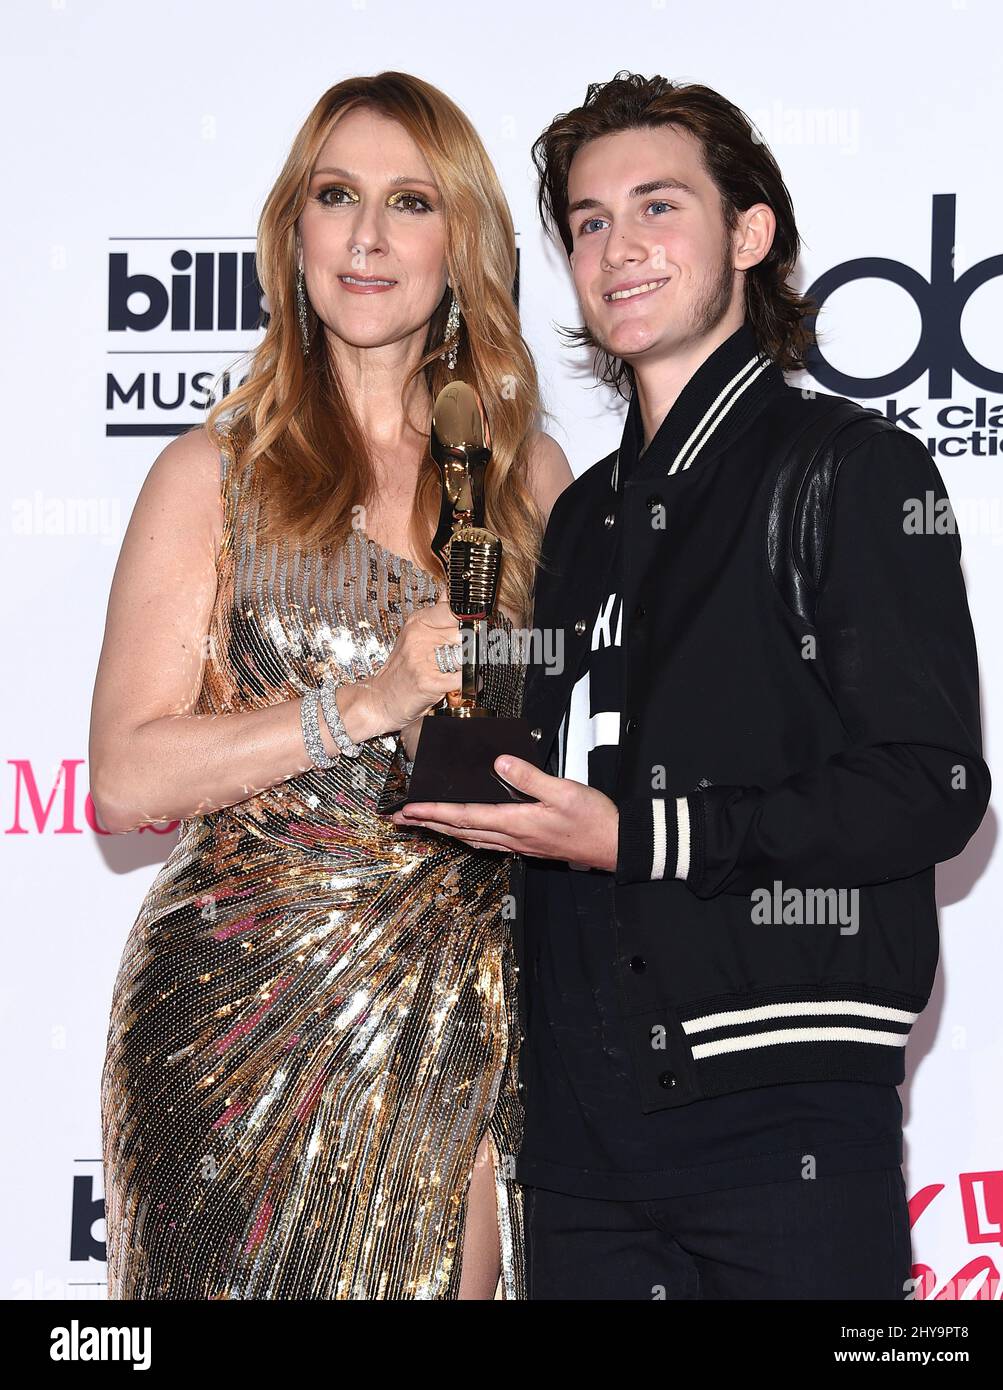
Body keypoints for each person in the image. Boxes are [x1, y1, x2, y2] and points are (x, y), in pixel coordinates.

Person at [390, 73, 992, 1300]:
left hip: (783, 1128)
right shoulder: (577, 521)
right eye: (588, 222)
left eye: (657, 208)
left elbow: (929, 785)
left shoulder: (852, 470)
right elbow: (557, 763)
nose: (618, 249)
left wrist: (643, 835)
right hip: (578, 1147)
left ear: (748, 235)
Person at [91, 70, 572, 1300]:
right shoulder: (213, 474)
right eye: (335, 196)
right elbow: (125, 778)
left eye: (409, 201)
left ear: (460, 240)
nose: (367, 237)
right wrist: (360, 704)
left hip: (464, 996)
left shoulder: (534, 486)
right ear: (292, 234)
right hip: (237, 1016)